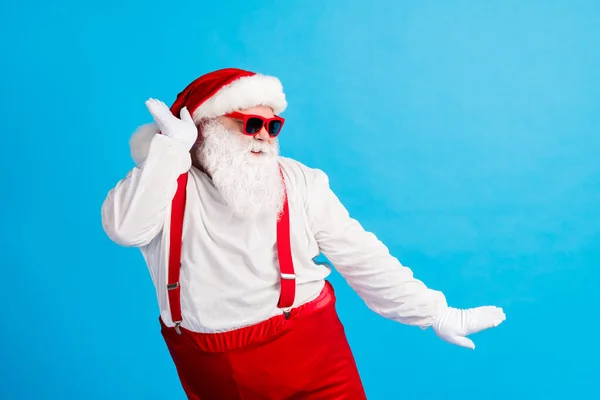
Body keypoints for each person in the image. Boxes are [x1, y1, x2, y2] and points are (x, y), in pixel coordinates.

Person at [101, 67, 506, 400]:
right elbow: (124, 229)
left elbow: (361, 255)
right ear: (203, 128)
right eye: (250, 123)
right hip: (211, 372)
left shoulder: (299, 182)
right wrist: (170, 150)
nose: (263, 134)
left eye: (273, 126)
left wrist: (434, 312)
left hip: (310, 359)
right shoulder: (161, 186)